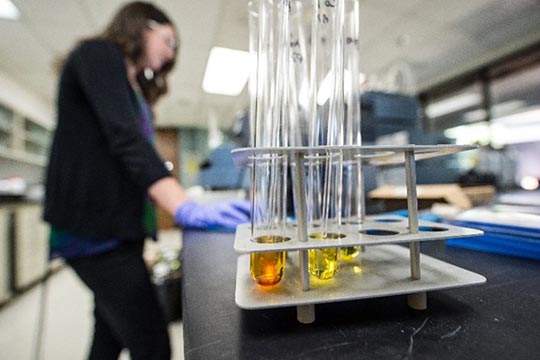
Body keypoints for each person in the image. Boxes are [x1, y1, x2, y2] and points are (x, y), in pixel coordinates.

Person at [43, 2, 250, 359]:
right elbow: (126, 139)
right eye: (168, 40)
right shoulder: (98, 54)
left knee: (108, 336)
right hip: (94, 234)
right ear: (141, 25)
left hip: (117, 233)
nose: (171, 54)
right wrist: (182, 206)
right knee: (152, 343)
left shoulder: (133, 87)